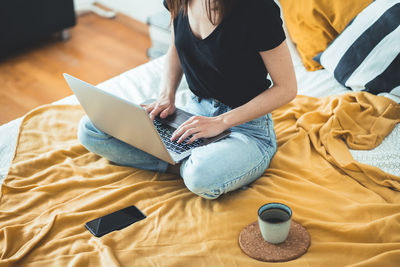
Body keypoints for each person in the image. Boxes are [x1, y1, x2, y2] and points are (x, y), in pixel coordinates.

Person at [78, 0, 297, 199]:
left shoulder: (258, 9)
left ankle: (183, 160)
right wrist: (166, 96)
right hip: (192, 112)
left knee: (201, 176)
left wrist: (220, 123)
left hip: (245, 127)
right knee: (92, 128)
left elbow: (286, 88)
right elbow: (175, 46)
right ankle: (180, 160)